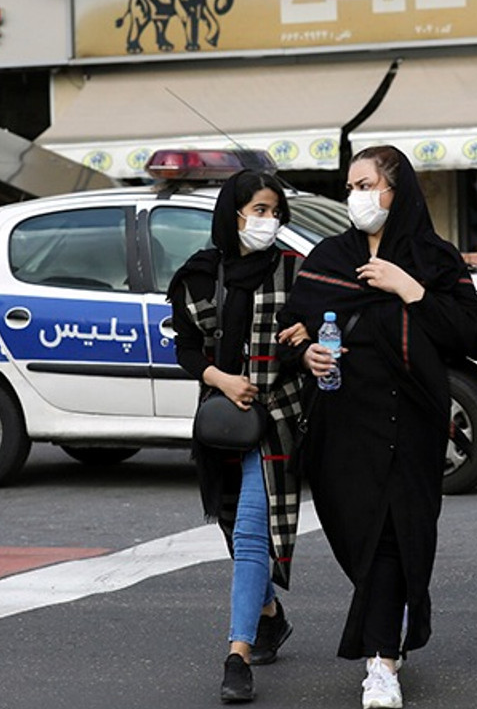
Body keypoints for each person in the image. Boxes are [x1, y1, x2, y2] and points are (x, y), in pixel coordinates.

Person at [280, 145, 477, 709]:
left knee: (396, 537)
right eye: (350, 187)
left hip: (411, 422)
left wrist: (407, 287)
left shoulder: (433, 258)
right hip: (342, 426)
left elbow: (471, 333)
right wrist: (307, 359)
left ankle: (381, 663)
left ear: (398, 190)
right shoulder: (328, 257)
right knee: (358, 539)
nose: (357, 197)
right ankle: (386, 631)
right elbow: (294, 325)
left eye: (367, 185)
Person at [167, 169, 305, 704]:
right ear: (233, 214)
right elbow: (185, 348)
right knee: (231, 525)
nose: (267, 221)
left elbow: (313, 334)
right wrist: (222, 379)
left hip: (277, 420)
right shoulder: (200, 276)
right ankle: (269, 614)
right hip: (221, 422)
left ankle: (237, 654)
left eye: (274, 211)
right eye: (257, 211)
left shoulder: (296, 272)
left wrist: (306, 338)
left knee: (251, 531)